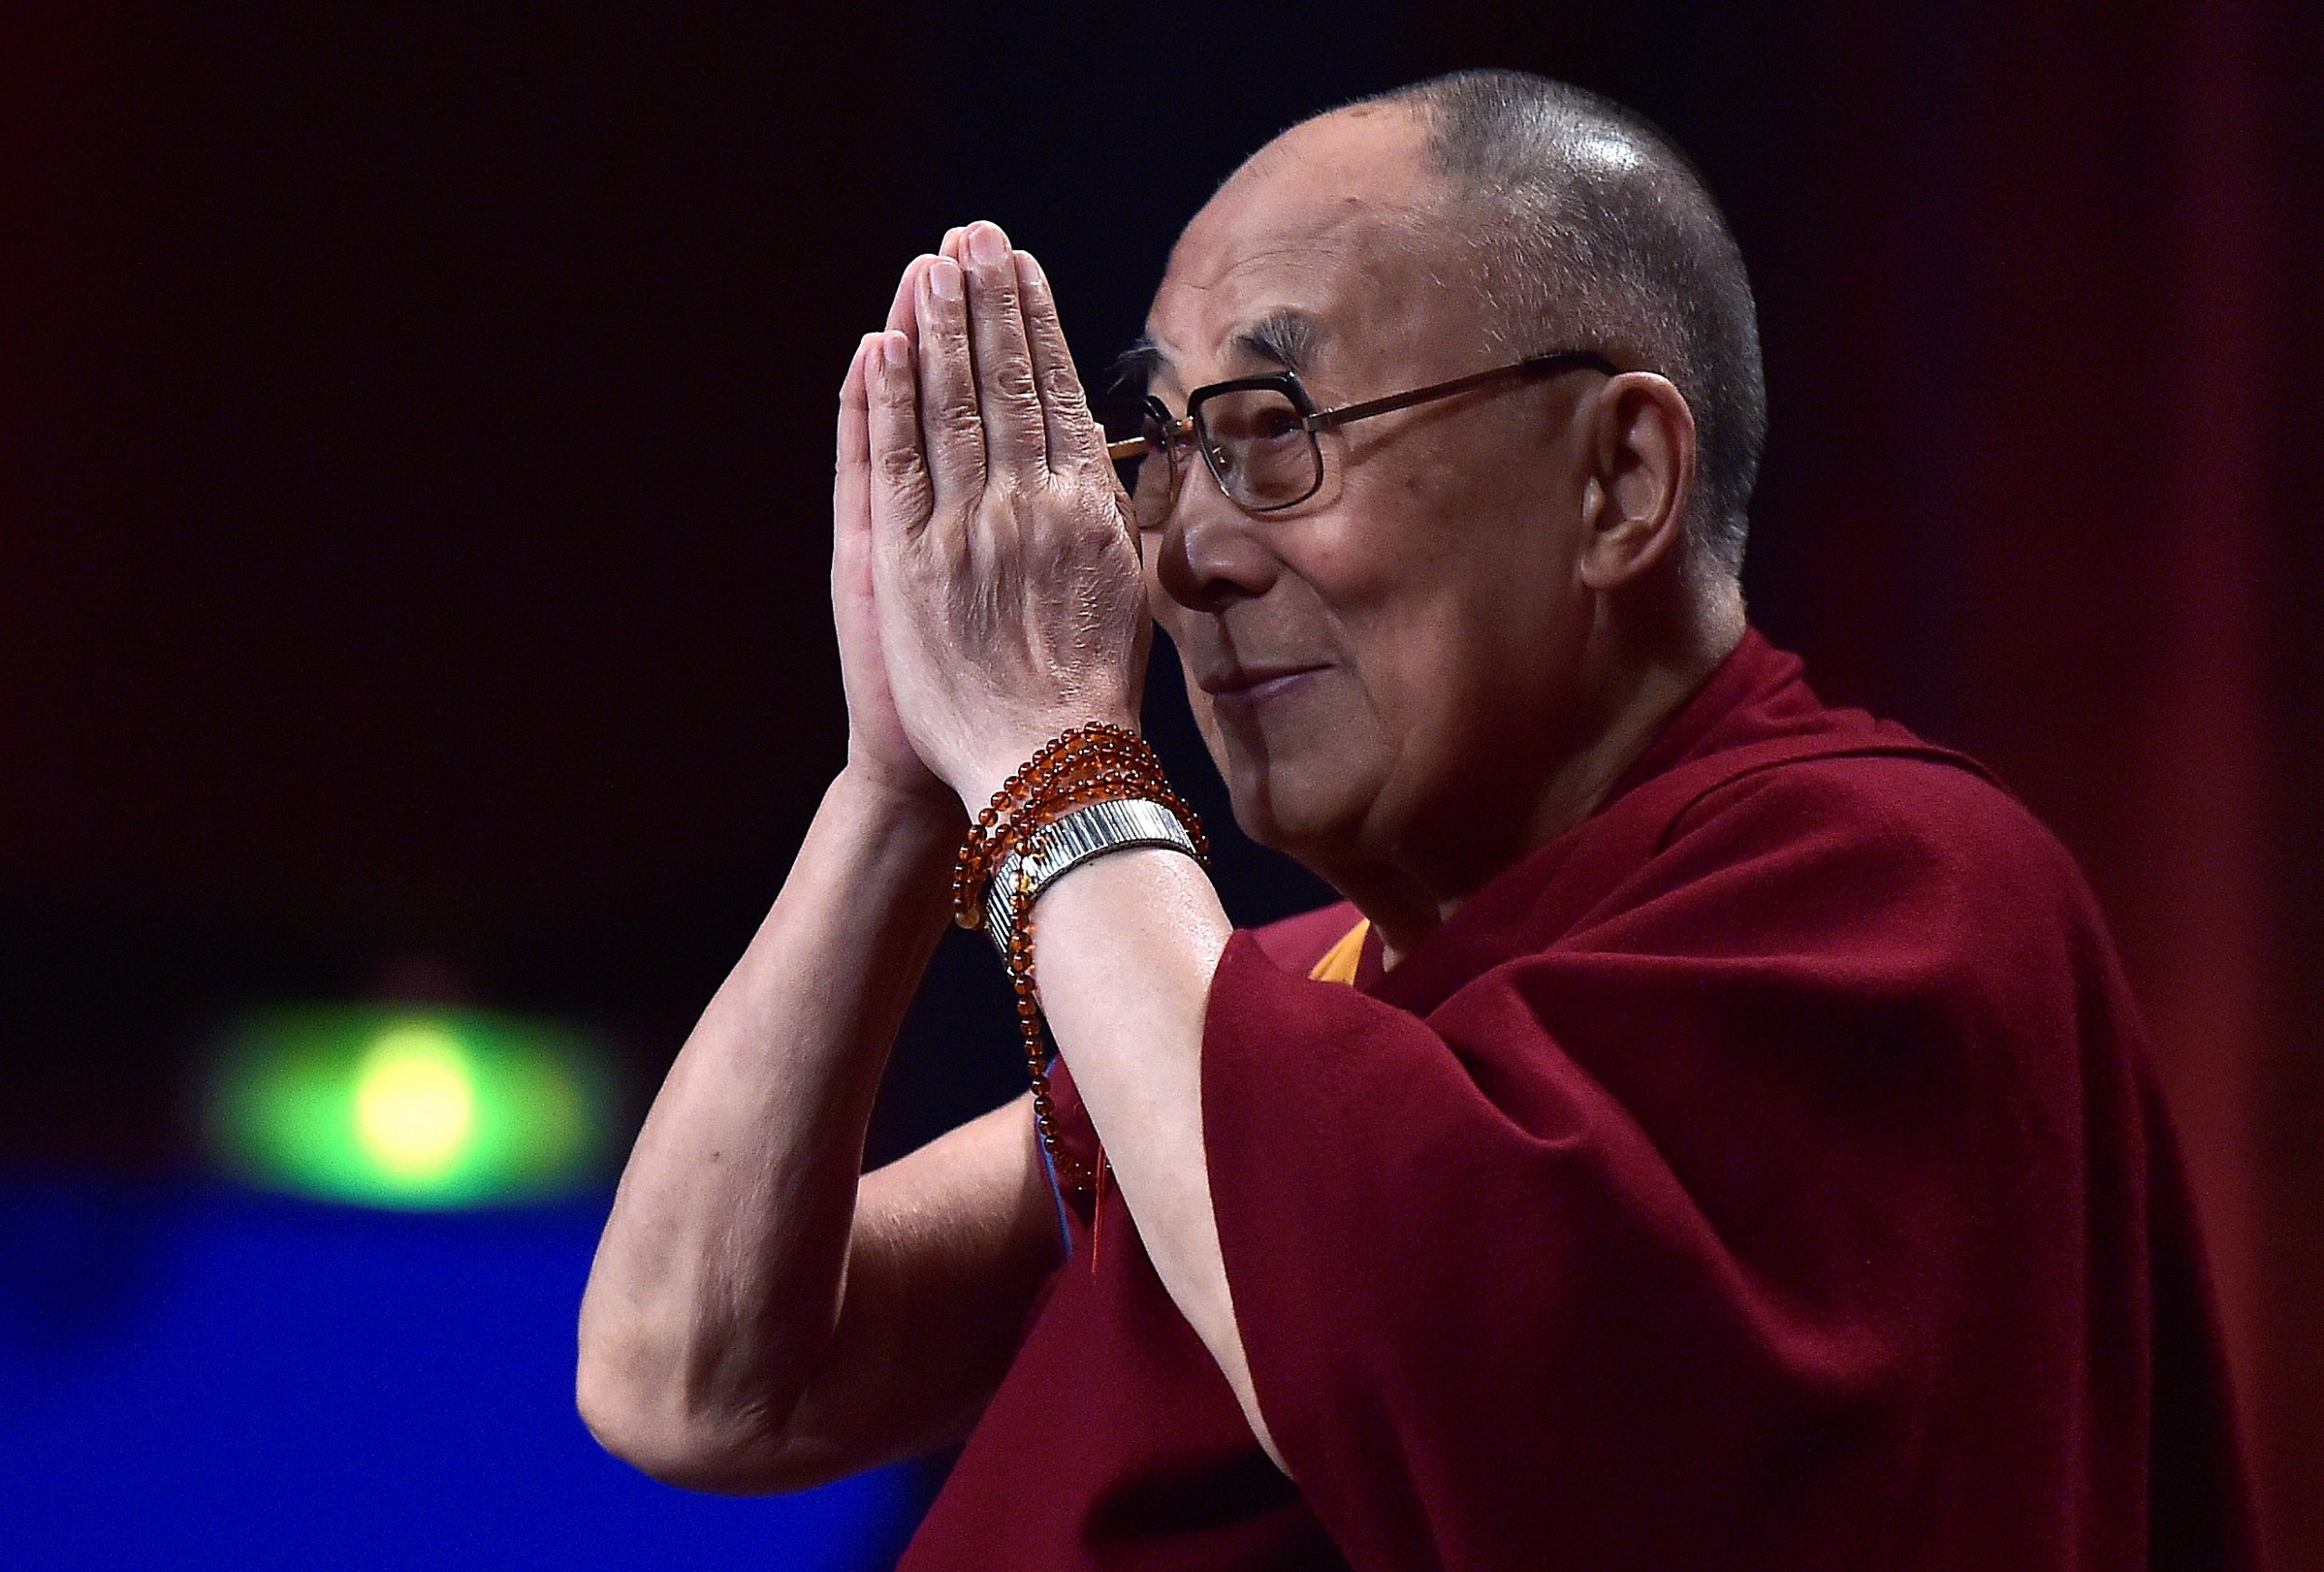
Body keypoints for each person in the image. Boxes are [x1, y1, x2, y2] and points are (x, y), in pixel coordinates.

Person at [574, 70, 2259, 1569]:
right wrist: (903, 775)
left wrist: (1048, 764)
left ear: (1618, 484)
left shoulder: (1892, 896)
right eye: (1165, 448)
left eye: (1277, 434)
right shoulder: (1325, 997)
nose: (1183, 558)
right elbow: (701, 1376)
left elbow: (1400, 1348)